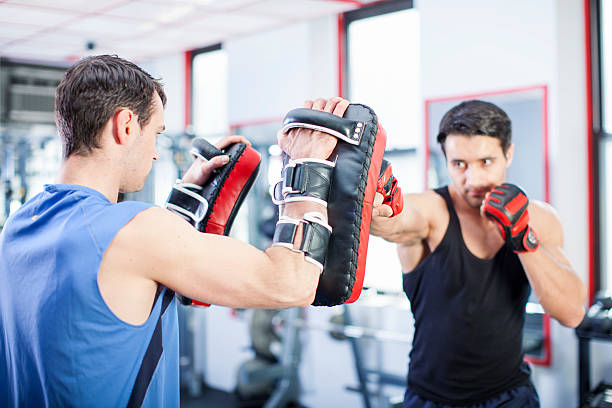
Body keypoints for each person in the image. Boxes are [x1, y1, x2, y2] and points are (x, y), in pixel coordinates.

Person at [0, 54, 348, 407]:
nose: (154, 154)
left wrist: (184, 201)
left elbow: (117, 282)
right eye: (156, 133)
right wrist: (308, 167)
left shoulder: (18, 226)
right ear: (126, 126)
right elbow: (290, 283)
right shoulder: (138, 233)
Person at [371, 100, 586, 408]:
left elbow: (572, 312)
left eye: (486, 161)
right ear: (446, 161)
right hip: (431, 398)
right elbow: (397, 221)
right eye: (459, 164)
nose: (473, 180)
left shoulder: (540, 218)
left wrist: (523, 237)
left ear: (508, 154)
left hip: (510, 396)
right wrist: (375, 204)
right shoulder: (434, 210)